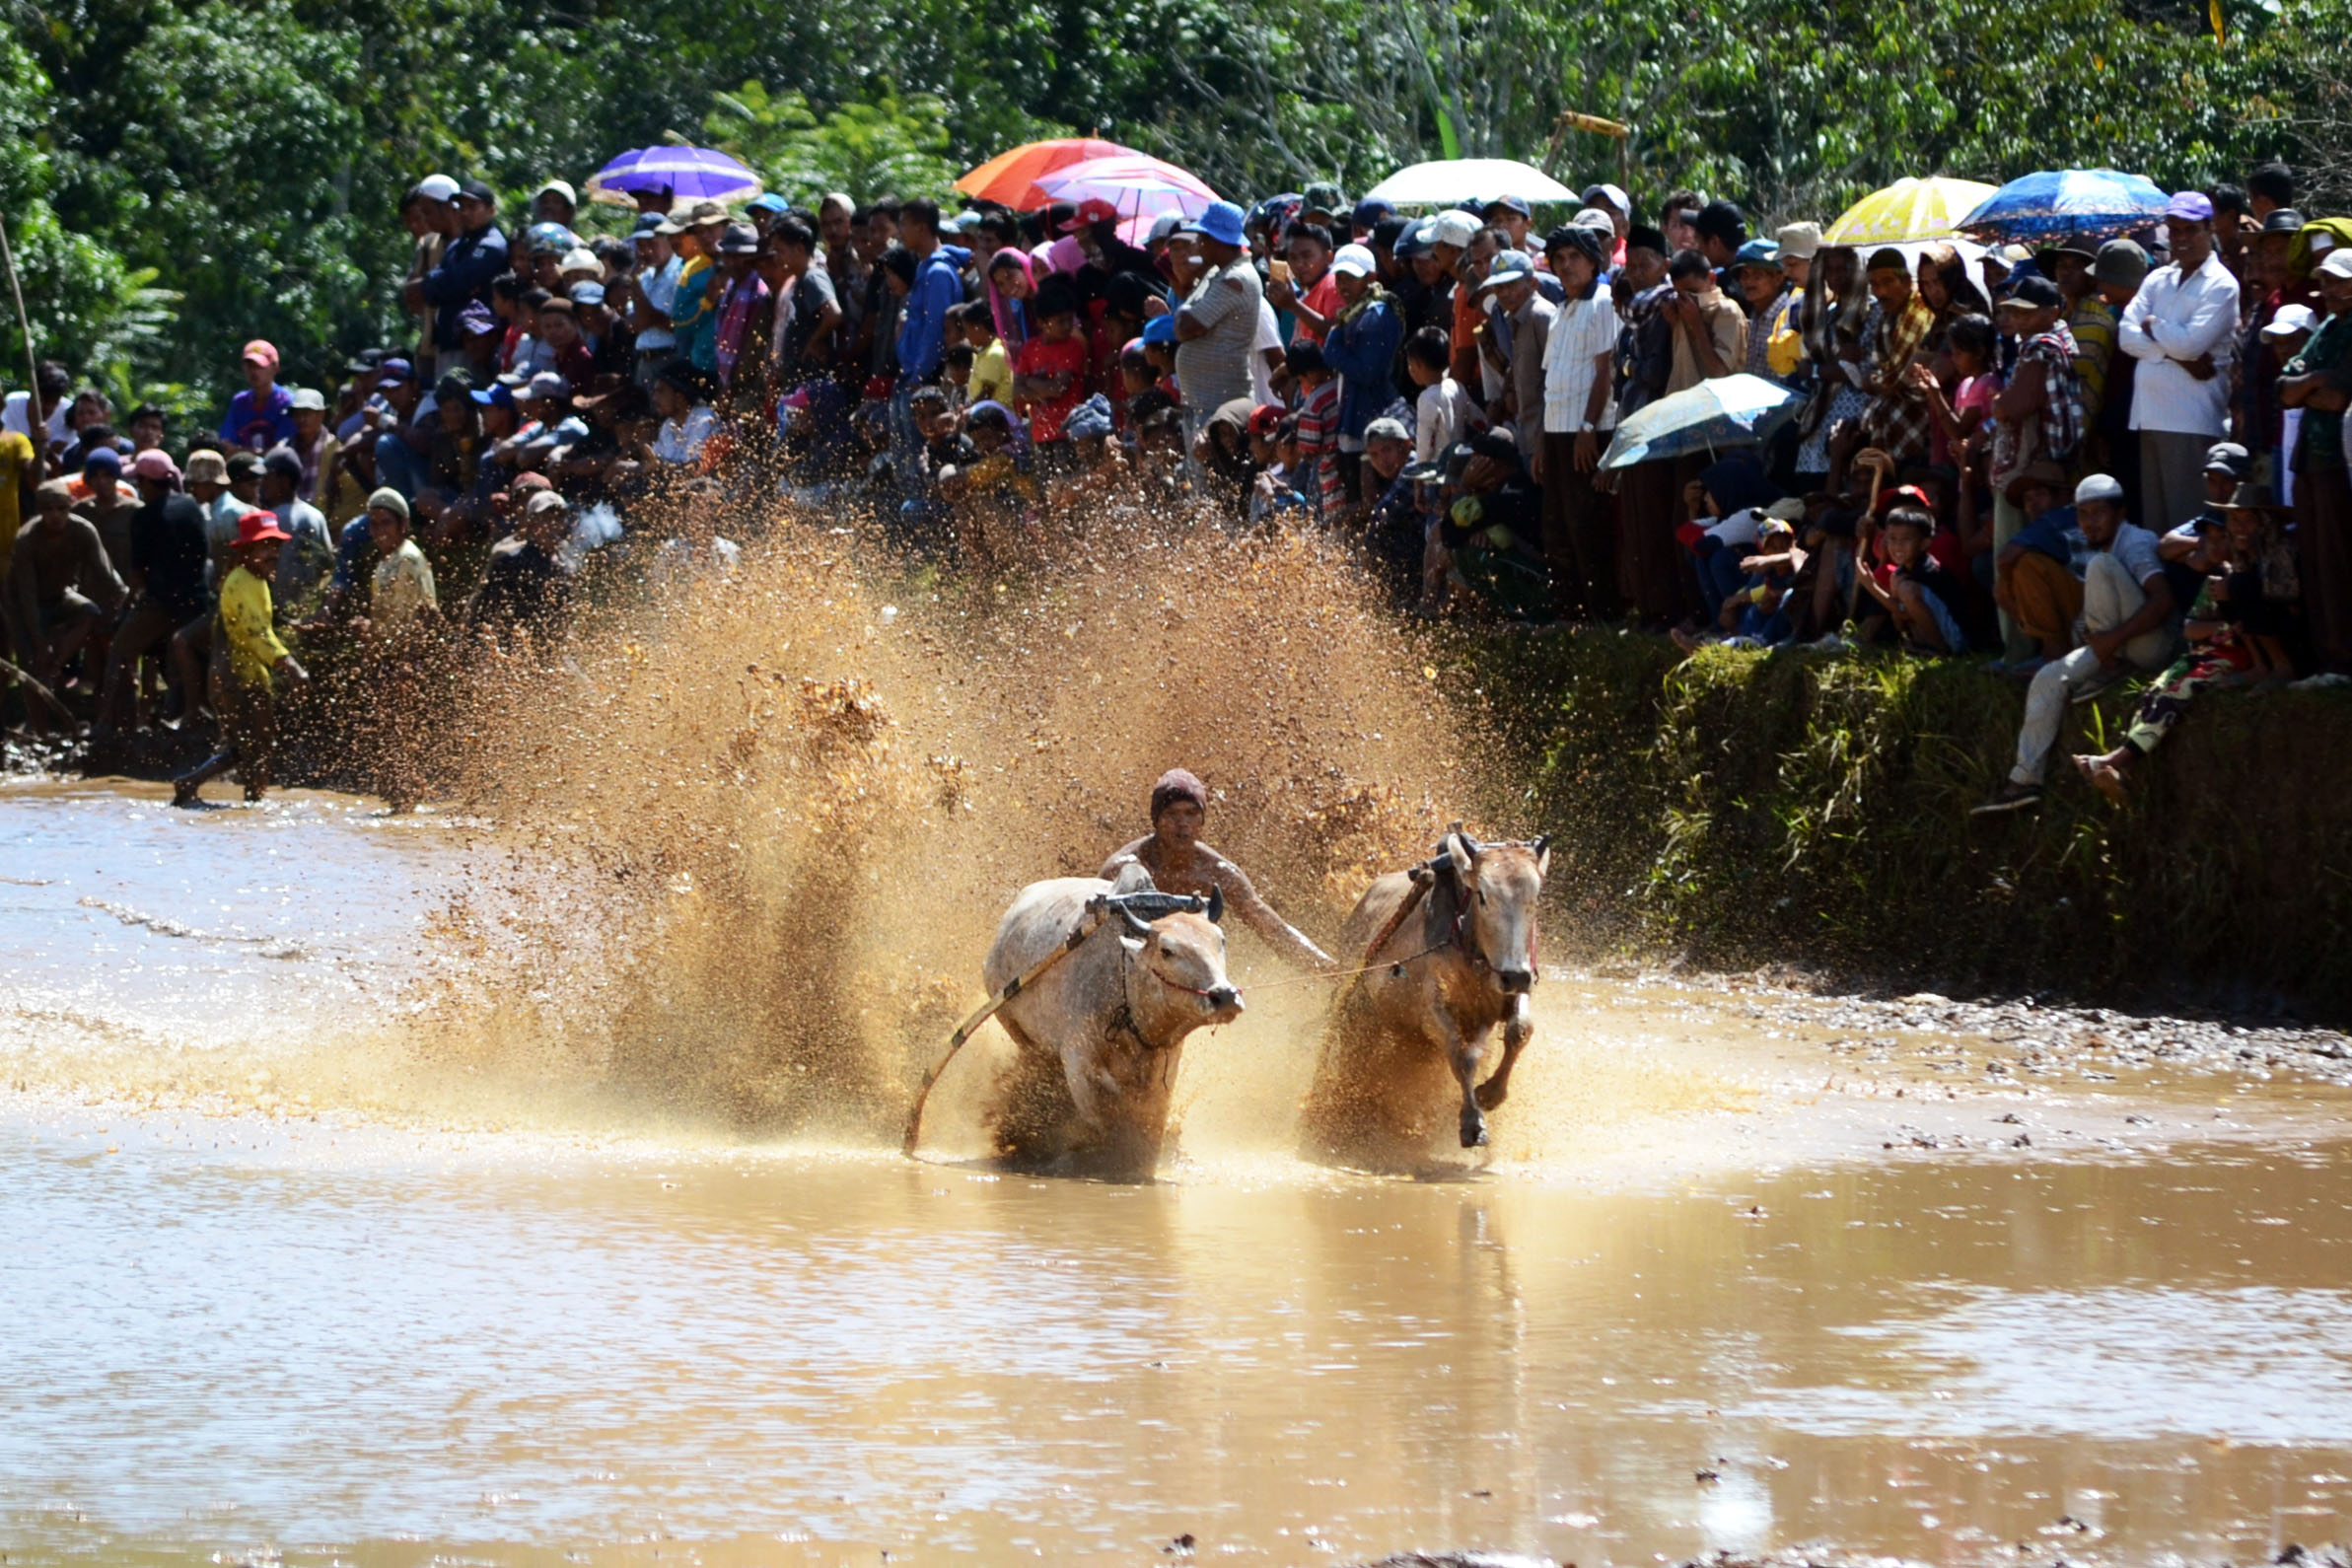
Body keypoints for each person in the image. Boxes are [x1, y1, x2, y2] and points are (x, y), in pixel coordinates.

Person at [2071, 482, 2300, 801]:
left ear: (2265, 523)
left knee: (2182, 689)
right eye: (2234, 523)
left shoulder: (2274, 560)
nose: (2239, 530)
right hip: (2215, 649)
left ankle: (2117, 761)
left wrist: (2231, 621)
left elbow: (2279, 611)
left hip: (2244, 655)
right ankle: (2123, 769)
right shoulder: (2226, 572)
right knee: (2157, 689)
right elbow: (2190, 628)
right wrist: (2225, 621)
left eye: (2249, 521)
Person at [1975, 473, 2176, 815]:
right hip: (2114, 647)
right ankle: (2024, 780)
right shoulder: (2097, 547)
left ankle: (2107, 668)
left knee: (2100, 567)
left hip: (2151, 647)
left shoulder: (2135, 541)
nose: (2091, 523)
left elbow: (2163, 602)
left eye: (2099, 513)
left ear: (2120, 514)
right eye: (2084, 515)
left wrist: (2110, 641)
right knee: (2047, 679)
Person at [1099, 768, 1335, 972]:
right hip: (1129, 965)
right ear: (1156, 820)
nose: (1183, 824)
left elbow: (1273, 929)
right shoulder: (1124, 867)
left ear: (1202, 821)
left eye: (1191, 814)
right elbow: (1090, 924)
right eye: (1172, 814)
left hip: (1189, 973)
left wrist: (1325, 967)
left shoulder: (1218, 873)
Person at [2117, 192, 2242, 534]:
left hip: (2191, 418)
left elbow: (2192, 344)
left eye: (2190, 230)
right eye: (2174, 231)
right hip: (2150, 416)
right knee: (2158, 527)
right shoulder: (2159, 278)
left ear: (2209, 228)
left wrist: (2153, 326)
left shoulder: (2221, 284)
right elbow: (2126, 335)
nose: (2181, 239)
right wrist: (2173, 353)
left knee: (2187, 527)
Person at [170, 510, 308, 805]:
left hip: (245, 676)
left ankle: (242, 799)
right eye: (264, 546)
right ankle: (240, 799)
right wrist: (290, 664)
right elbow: (255, 633)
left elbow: (260, 625)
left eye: (275, 546)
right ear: (246, 551)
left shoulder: (254, 581)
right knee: (253, 747)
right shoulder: (241, 582)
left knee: (249, 747)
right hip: (237, 678)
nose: (272, 553)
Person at [1535, 221, 1619, 621]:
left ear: (1592, 262)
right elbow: (1551, 380)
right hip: (1556, 431)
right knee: (1558, 525)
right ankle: (1569, 614)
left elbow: (1604, 373)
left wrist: (1588, 429)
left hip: (1589, 431)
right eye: (1559, 259)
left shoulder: (1603, 302)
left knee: (1588, 526)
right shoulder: (1560, 310)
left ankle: (1601, 614)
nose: (1566, 266)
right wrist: (1541, 442)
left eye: (1575, 258)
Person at [100, 450, 208, 734]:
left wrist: (128, 605)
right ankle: (182, 719)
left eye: (140, 482)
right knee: (177, 658)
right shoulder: (191, 506)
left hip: (161, 601)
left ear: (148, 483)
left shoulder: (144, 517)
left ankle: (107, 722)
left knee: (120, 650)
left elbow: (137, 574)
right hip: (195, 600)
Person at [2280, 248, 2352, 671]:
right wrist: (2315, 381)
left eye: (2339, 281)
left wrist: (2310, 386)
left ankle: (2345, 661)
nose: (2328, 289)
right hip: (2308, 457)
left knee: (2339, 558)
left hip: (2340, 459)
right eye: (2325, 281)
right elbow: (2284, 386)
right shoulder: (2325, 326)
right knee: (2315, 560)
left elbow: (2338, 396)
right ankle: (2327, 660)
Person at [1173, 202, 1264, 439]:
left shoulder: (1235, 278)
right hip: (1202, 397)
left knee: (1211, 469)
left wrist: (1184, 309)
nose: (1199, 245)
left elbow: (1186, 327)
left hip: (1218, 400)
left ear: (1218, 240)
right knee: (1198, 471)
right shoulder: (1217, 272)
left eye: (1204, 238)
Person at [219, 340, 296, 452]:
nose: (253, 371)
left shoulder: (287, 402)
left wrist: (243, 452)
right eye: (249, 365)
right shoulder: (239, 402)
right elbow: (227, 444)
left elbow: (282, 450)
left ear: (275, 368)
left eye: (259, 366)